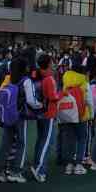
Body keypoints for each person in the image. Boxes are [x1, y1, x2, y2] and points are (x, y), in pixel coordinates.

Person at [30, 53, 59, 183]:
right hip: (49, 113)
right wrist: (63, 94)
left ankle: (37, 164)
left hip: (40, 113)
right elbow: (53, 97)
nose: (53, 64)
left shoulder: (38, 76)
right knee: (47, 142)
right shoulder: (49, 78)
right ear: (48, 64)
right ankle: (40, 169)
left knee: (41, 140)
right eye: (52, 62)